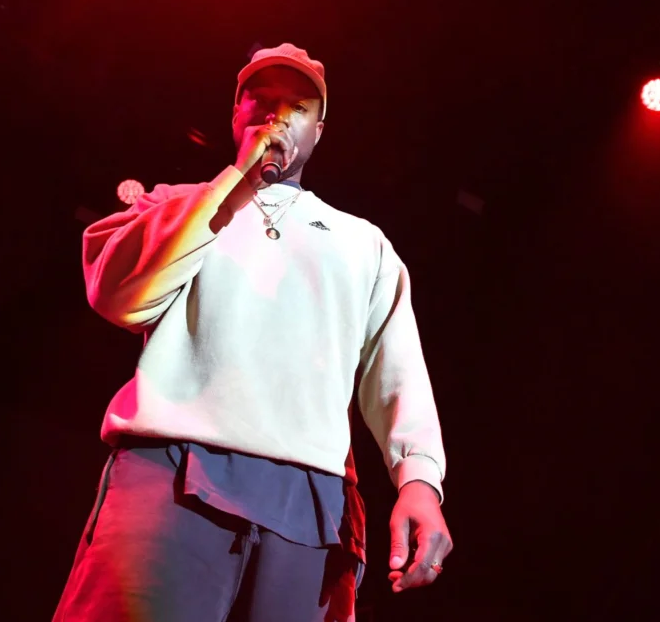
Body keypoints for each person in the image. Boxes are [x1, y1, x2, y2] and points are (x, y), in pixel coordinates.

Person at [51, 43, 451, 622]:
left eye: (297, 107)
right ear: (235, 114)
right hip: (173, 467)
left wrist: (419, 481)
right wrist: (235, 182)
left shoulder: (363, 243)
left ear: (318, 130)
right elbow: (119, 297)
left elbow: (399, 373)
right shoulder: (172, 205)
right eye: (262, 101)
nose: (278, 117)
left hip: (311, 501)